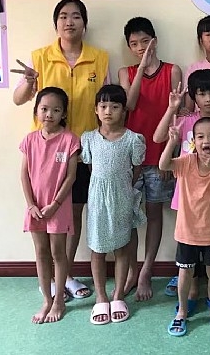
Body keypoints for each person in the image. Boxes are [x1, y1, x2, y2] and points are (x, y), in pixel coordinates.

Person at [12, 0, 110, 300]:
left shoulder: (99, 58)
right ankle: (53, 279)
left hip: (82, 150)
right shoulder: (40, 58)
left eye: (76, 16)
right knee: (44, 215)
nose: (70, 21)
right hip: (44, 153)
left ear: (85, 23)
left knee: (73, 214)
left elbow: (106, 101)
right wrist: (29, 82)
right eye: (64, 16)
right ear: (56, 23)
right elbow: (19, 99)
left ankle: (64, 276)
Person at [154, 69, 210, 310]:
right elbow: (158, 137)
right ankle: (192, 290)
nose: (208, 98)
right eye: (202, 93)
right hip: (186, 193)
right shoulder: (186, 119)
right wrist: (172, 109)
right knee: (189, 245)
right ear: (193, 96)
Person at [118, 17, 182, 300]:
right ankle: (132, 271)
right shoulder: (125, 72)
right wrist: (142, 68)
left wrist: (171, 156)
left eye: (145, 41)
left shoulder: (172, 70)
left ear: (155, 41)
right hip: (131, 158)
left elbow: (178, 114)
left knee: (155, 214)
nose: (140, 47)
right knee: (130, 216)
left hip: (160, 156)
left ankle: (146, 271)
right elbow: (129, 105)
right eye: (134, 43)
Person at [161, 117, 210, 337]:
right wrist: (171, 142)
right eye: (201, 136)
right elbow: (163, 165)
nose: (206, 141)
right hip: (187, 232)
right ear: (193, 141)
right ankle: (182, 312)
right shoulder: (186, 161)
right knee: (185, 273)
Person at [81, 85, 147, 325]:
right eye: (103, 106)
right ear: (96, 110)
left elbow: (136, 169)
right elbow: (91, 169)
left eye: (114, 106)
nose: (108, 111)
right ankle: (101, 297)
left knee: (121, 248)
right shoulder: (89, 138)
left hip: (122, 198)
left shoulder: (133, 139)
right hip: (97, 200)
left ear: (124, 111)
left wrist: (122, 187)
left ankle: (118, 295)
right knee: (97, 249)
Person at [19, 87, 80, 324]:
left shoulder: (70, 140)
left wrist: (55, 204)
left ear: (63, 113)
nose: (49, 114)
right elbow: (24, 175)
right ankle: (47, 299)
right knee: (41, 252)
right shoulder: (29, 140)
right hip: (35, 207)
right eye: (44, 109)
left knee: (57, 252)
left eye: (56, 110)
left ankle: (59, 302)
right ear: (36, 111)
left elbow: (71, 176)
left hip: (58, 206)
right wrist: (31, 205)